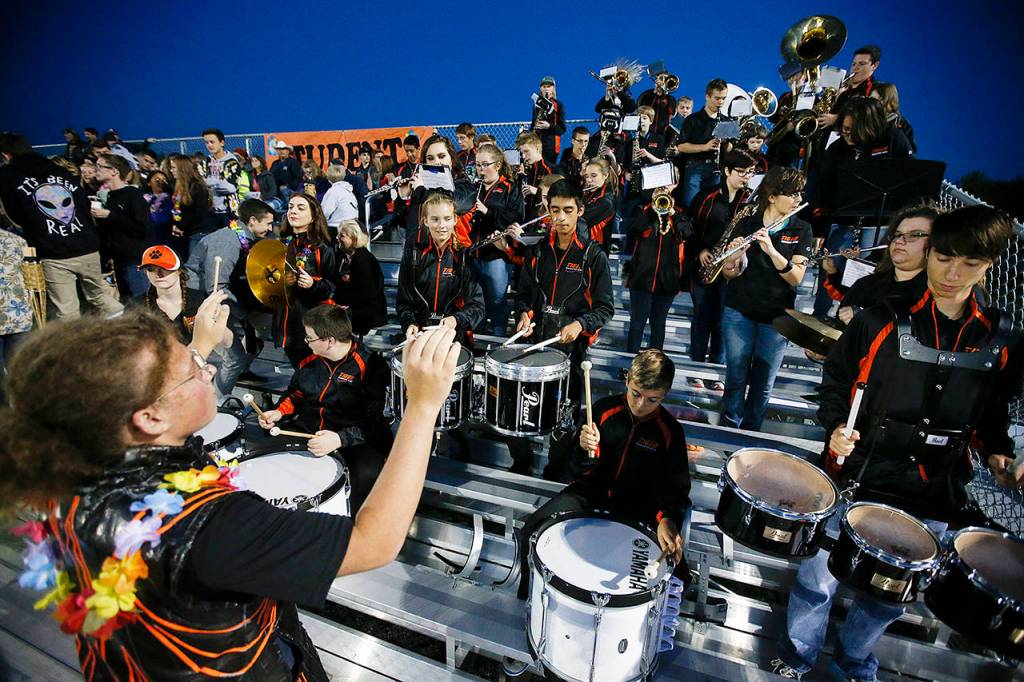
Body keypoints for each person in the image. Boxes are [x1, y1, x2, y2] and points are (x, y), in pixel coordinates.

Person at [1, 292, 461, 680]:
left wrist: (196, 344)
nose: (207, 370)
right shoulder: (211, 526)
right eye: (192, 369)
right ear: (149, 418)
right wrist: (422, 407)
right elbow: (374, 543)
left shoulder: (69, 477)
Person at [774, 205, 1024, 682]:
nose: (953, 274)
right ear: (930, 254)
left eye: (969, 264)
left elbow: (993, 410)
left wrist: (997, 451)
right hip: (860, 471)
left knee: (890, 595)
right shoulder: (880, 318)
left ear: (989, 265)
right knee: (817, 579)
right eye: (944, 258)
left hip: (933, 485)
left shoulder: (1004, 337)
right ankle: (802, 653)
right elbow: (836, 380)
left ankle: (854, 658)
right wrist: (833, 427)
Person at [515, 349, 691, 598]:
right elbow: (575, 469)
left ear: (665, 394)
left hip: (639, 504)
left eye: (653, 399)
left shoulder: (670, 432)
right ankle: (529, 596)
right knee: (532, 528)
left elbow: (677, 489)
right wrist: (586, 451)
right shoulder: (603, 410)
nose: (641, 405)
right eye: (636, 393)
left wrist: (667, 518)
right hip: (590, 492)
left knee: (678, 570)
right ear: (627, 380)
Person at [514, 179, 615, 480]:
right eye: (554, 210)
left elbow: (605, 308)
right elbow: (523, 296)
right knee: (521, 413)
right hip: (536, 345)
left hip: (571, 352)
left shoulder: (593, 256)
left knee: (564, 423)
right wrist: (523, 314)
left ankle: (555, 471)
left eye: (567, 210)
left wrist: (581, 324)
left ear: (580, 211)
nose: (560, 218)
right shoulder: (538, 252)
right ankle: (522, 462)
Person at [258, 304, 392, 513]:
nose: (306, 341)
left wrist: (339, 439)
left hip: (353, 440)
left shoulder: (372, 367)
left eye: (309, 337)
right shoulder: (309, 360)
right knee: (269, 456)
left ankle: (354, 525)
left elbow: (376, 422)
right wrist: (279, 412)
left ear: (329, 341)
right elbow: (296, 394)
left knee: (367, 473)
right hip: (309, 430)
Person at [719, 167, 813, 430]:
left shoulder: (802, 228)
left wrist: (771, 250)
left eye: (800, 193)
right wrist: (732, 259)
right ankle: (729, 429)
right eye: (791, 193)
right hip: (739, 309)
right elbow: (729, 275)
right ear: (772, 196)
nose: (797, 199)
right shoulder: (747, 222)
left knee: (762, 384)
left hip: (777, 318)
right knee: (736, 376)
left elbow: (796, 277)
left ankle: (751, 431)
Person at [0, 133, 123, 319]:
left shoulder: (9, 178)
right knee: (98, 296)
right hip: (86, 246)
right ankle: (126, 325)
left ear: (5, 155)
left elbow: (14, 215)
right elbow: (83, 204)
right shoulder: (60, 171)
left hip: (54, 252)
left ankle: (75, 346)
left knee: (67, 310)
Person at [811, 96, 914, 317]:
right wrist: (819, 229)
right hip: (843, 222)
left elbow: (910, 181)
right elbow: (824, 189)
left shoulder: (893, 139)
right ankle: (819, 322)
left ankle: (858, 321)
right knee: (830, 271)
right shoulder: (837, 149)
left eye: (851, 130)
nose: (846, 134)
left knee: (869, 277)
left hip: (880, 225)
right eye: (843, 130)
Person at [185, 198, 275, 393]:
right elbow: (216, 287)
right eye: (268, 223)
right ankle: (218, 399)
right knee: (234, 358)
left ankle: (241, 372)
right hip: (203, 301)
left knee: (258, 335)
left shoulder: (243, 238)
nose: (270, 228)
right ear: (252, 221)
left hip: (221, 299)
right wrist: (244, 314)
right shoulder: (227, 242)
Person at [687, 149, 757, 380]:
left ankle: (716, 369)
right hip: (705, 265)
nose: (746, 177)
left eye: (750, 173)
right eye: (742, 172)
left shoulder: (750, 202)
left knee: (721, 320)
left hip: (731, 270)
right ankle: (695, 369)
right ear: (727, 171)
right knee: (701, 318)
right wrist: (700, 251)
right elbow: (690, 228)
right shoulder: (706, 196)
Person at [826, 203, 938, 326]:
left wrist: (867, 318)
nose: (900, 241)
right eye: (897, 234)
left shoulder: (938, 294)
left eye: (915, 235)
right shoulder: (865, 284)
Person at [396, 193, 485, 346]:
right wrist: (410, 323)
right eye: (435, 219)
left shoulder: (464, 254)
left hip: (453, 335)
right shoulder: (414, 252)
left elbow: (478, 307)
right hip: (420, 333)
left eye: (447, 219)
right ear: (425, 221)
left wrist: (456, 319)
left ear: (455, 219)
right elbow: (404, 301)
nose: (441, 225)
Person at [625, 185, 690, 353]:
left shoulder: (680, 212)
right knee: (637, 322)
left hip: (667, 280)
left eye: (666, 190)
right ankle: (629, 364)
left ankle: (655, 367)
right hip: (641, 278)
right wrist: (651, 209)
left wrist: (674, 215)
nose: (663, 193)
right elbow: (634, 229)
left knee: (659, 323)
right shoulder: (643, 209)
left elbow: (687, 233)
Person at [468, 143, 525, 336]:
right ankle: (476, 342)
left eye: (485, 164)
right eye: (477, 165)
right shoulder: (473, 188)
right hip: (472, 254)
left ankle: (497, 339)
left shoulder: (510, 188)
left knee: (497, 302)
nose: (481, 169)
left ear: (498, 165)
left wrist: (488, 212)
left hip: (495, 256)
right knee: (475, 303)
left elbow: (516, 217)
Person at [277, 193, 337, 366]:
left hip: (312, 323)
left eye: (300, 208)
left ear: (313, 217)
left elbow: (333, 286)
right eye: (290, 207)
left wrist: (314, 284)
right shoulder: (282, 243)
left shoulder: (322, 248)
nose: (293, 211)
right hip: (288, 324)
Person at [91, 154, 153, 298]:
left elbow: (142, 228)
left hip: (136, 260)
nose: (96, 170)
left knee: (143, 302)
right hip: (119, 260)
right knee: (128, 303)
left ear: (115, 171)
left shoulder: (133, 195)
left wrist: (110, 215)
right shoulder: (109, 197)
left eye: (100, 166)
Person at [397, 134, 476, 241]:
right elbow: (410, 223)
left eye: (442, 156)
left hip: (450, 253)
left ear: (452, 158)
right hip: (417, 252)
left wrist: (420, 190)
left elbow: (453, 203)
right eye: (430, 158)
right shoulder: (422, 185)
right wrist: (402, 196)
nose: (436, 162)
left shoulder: (465, 184)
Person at [131, 244, 203, 342]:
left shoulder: (201, 300)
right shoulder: (136, 306)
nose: (158, 274)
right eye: (151, 269)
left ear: (179, 270)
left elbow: (227, 342)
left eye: (164, 267)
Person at [676, 78, 731, 205]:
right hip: (695, 168)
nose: (720, 102)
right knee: (690, 205)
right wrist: (705, 147)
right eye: (717, 98)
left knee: (711, 208)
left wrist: (726, 143)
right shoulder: (692, 119)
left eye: (723, 98)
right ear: (707, 96)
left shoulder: (726, 121)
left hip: (716, 169)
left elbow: (729, 150)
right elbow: (681, 146)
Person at [333, 220, 387, 336]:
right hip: (351, 305)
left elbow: (366, 294)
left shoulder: (363, 259)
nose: (337, 237)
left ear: (354, 239)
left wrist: (337, 299)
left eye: (342, 235)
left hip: (365, 310)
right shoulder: (342, 256)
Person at [0, 224, 33, 404]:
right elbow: (32, 275)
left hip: (14, 316)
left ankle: (6, 417)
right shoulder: (17, 241)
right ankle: (28, 407)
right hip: (19, 315)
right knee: (22, 368)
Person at [169, 155, 217, 257]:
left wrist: (181, 225)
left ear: (182, 169)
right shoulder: (178, 187)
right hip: (188, 232)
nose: (170, 170)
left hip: (200, 233)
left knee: (194, 265)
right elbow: (179, 210)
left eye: (173, 167)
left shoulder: (197, 187)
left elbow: (200, 213)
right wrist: (176, 224)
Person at [201, 128, 244, 224]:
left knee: (235, 236)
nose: (209, 145)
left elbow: (231, 187)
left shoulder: (231, 162)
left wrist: (210, 183)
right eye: (206, 142)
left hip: (229, 211)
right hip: (211, 210)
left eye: (212, 142)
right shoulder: (205, 162)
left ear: (222, 143)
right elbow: (200, 183)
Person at [516, 132, 554, 220]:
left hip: (544, 218)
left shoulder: (550, 169)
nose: (524, 156)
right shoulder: (527, 170)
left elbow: (557, 196)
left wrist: (536, 191)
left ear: (537, 148)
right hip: (527, 216)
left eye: (526, 151)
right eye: (522, 153)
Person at [581, 157, 617, 250]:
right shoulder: (591, 192)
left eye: (593, 176)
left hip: (595, 251)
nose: (589, 180)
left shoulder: (606, 201)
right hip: (585, 245)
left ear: (605, 175)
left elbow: (581, 218)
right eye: (587, 176)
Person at [530, 76, 567, 165]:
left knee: (549, 169)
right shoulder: (536, 105)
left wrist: (549, 126)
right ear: (540, 88)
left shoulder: (558, 105)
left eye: (549, 86)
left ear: (553, 88)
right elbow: (533, 123)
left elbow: (562, 129)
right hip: (537, 143)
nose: (546, 89)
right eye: (544, 86)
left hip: (551, 146)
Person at [871, 82, 916, 154]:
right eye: (870, 99)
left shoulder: (902, 124)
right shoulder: (867, 123)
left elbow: (910, 152)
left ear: (885, 100)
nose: (871, 104)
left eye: (874, 100)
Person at [637, 69, 679, 137]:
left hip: (663, 135)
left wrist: (665, 94)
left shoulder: (671, 99)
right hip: (646, 133)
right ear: (656, 81)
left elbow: (673, 114)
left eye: (665, 80)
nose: (663, 82)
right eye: (661, 79)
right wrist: (655, 92)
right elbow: (640, 110)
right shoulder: (646, 95)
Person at [321, 162, 359, 231]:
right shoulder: (348, 190)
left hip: (337, 228)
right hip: (352, 227)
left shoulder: (333, 192)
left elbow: (324, 213)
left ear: (329, 179)